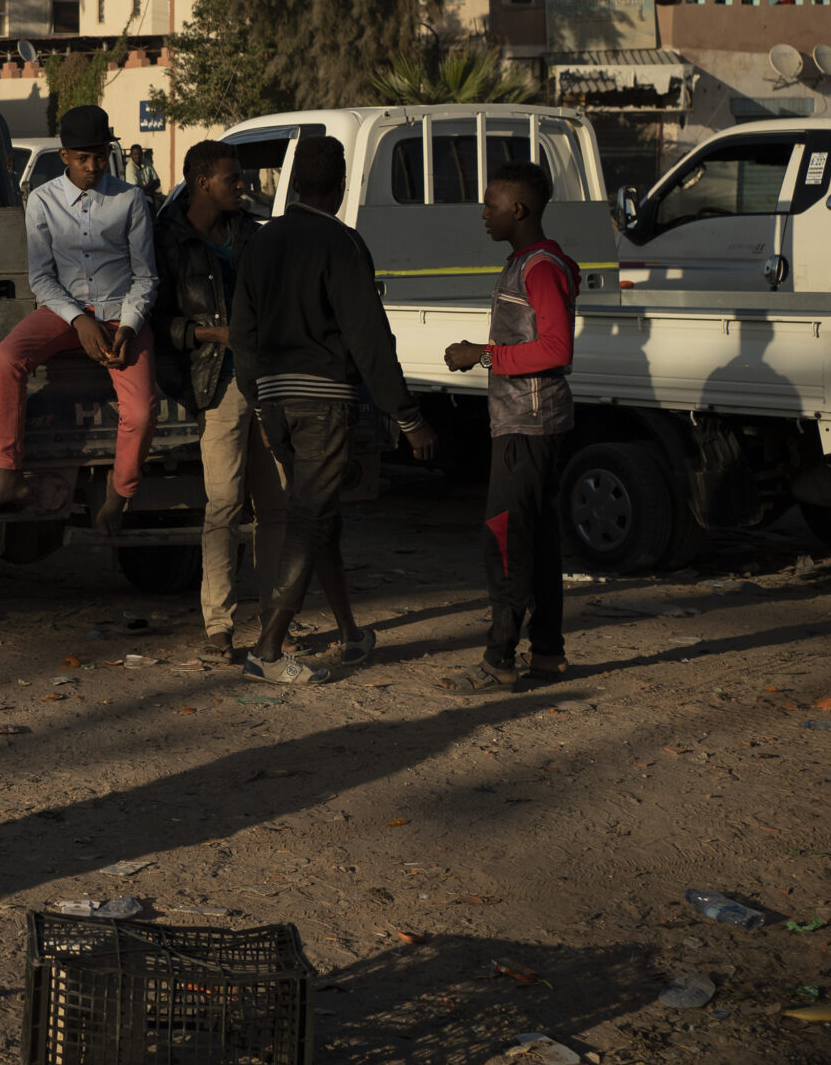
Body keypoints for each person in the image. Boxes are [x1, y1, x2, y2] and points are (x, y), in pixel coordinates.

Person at [229, 137, 437, 683]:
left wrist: (259, 401)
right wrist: (408, 416)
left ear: (295, 182)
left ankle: (348, 633)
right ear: (341, 186)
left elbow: (243, 335)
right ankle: (267, 652)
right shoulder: (342, 244)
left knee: (320, 517)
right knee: (309, 518)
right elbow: (369, 337)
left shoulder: (261, 242)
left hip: (273, 401)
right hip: (324, 403)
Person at [0, 103, 157, 531]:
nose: (93, 166)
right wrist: (79, 320)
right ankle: (8, 476)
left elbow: (146, 276)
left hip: (121, 315)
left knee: (143, 413)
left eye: (99, 156)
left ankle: (120, 491)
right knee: (6, 359)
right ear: (64, 157)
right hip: (63, 312)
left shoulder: (130, 199)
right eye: (83, 158)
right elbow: (41, 278)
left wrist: (128, 326)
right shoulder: (41, 200)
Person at [441, 161, 578, 691]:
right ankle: (547, 653)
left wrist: (483, 355)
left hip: (529, 423)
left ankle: (499, 660)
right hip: (533, 420)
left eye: (491, 204)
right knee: (538, 540)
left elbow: (555, 348)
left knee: (504, 538)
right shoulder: (531, 262)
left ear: (518, 210)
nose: (483, 214)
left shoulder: (539, 267)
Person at [152, 140, 279, 660]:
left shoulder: (250, 232)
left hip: (266, 381)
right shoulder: (168, 239)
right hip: (217, 384)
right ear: (203, 182)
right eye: (233, 177)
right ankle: (219, 627)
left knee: (276, 506)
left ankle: (277, 620)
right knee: (224, 505)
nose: (242, 184)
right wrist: (211, 335)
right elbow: (159, 321)